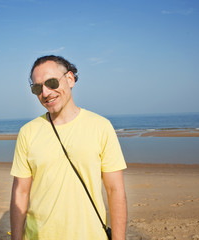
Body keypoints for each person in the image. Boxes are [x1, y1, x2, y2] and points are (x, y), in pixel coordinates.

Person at [10, 55, 127, 240]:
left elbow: (115, 190)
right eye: (37, 88)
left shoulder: (101, 127)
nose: (46, 93)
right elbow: (20, 193)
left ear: (70, 79)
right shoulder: (27, 132)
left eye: (51, 82)